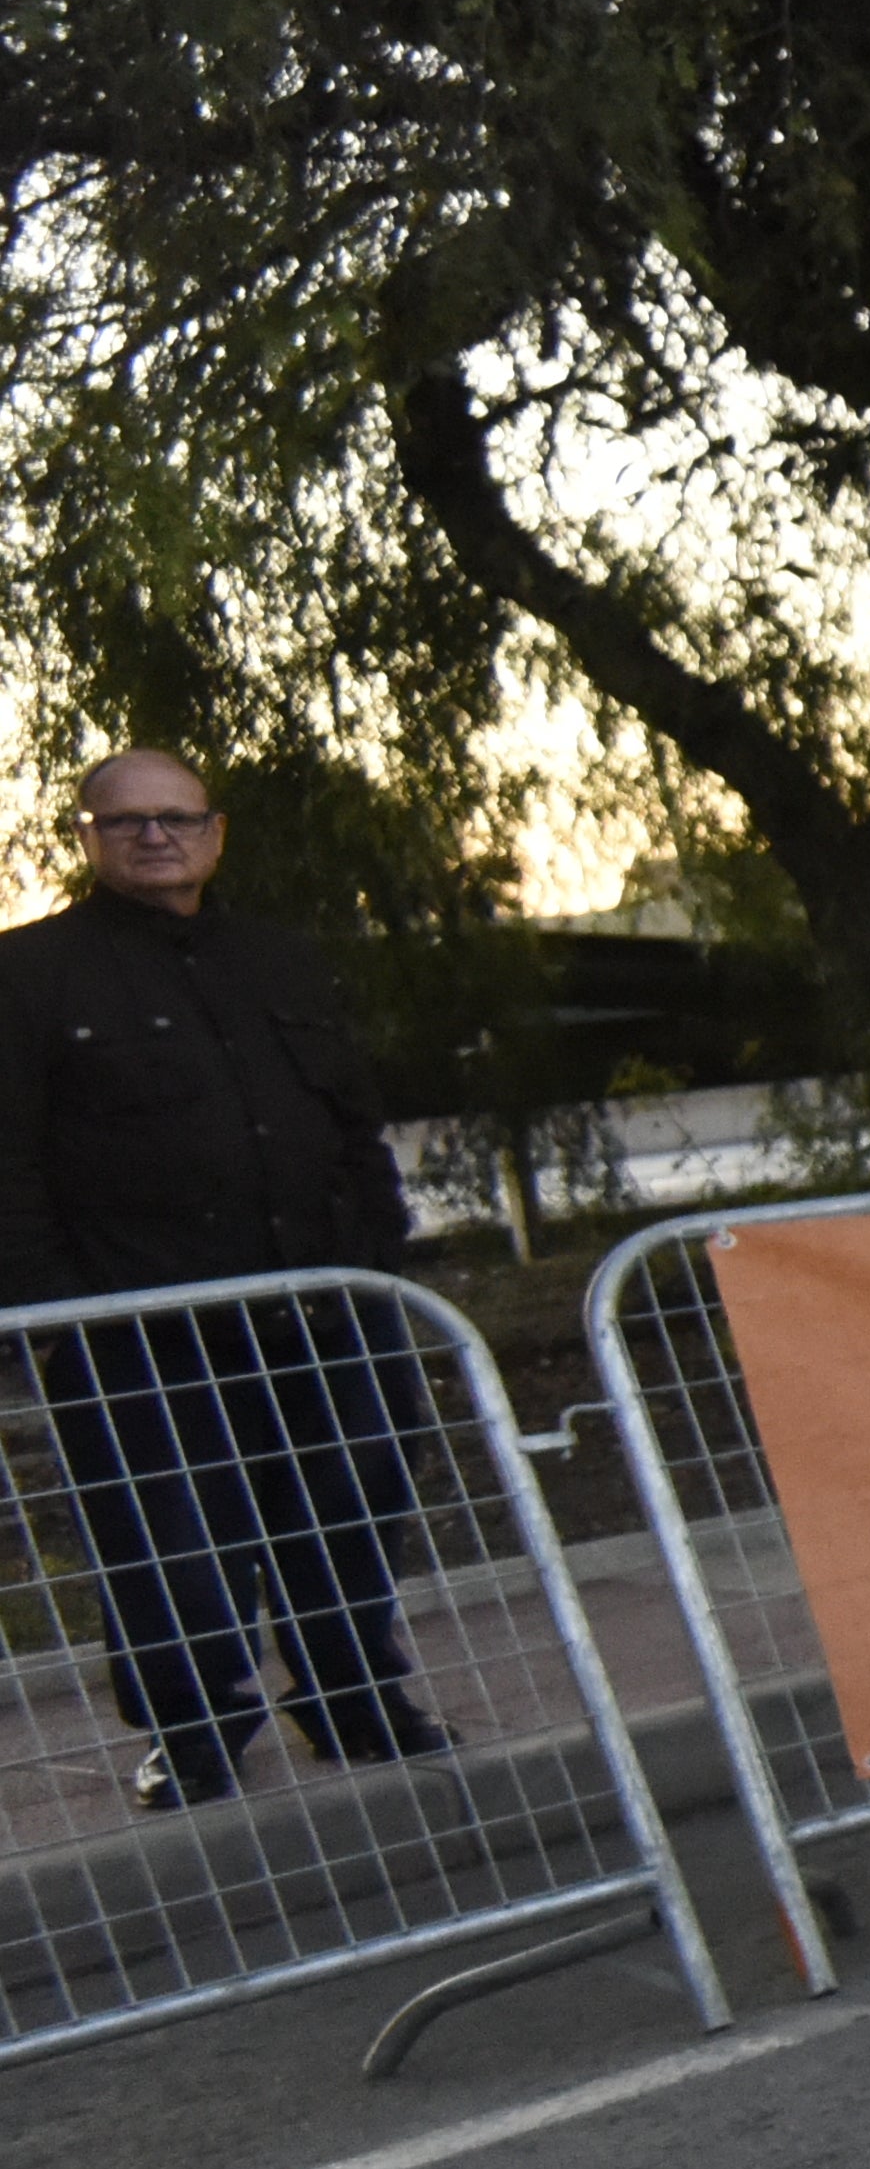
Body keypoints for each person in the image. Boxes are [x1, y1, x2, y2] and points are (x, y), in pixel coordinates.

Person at [0, 747, 438, 1813]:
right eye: (130, 821)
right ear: (88, 839)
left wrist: (378, 1258)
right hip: (141, 1323)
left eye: (178, 817)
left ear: (216, 832)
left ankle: (356, 1702)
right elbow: (5, 1159)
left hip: (321, 1304)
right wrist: (52, 1318)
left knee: (345, 1507)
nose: (157, 836)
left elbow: (350, 1122)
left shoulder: (282, 960)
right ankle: (193, 1739)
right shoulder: (27, 975)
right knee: (167, 1543)